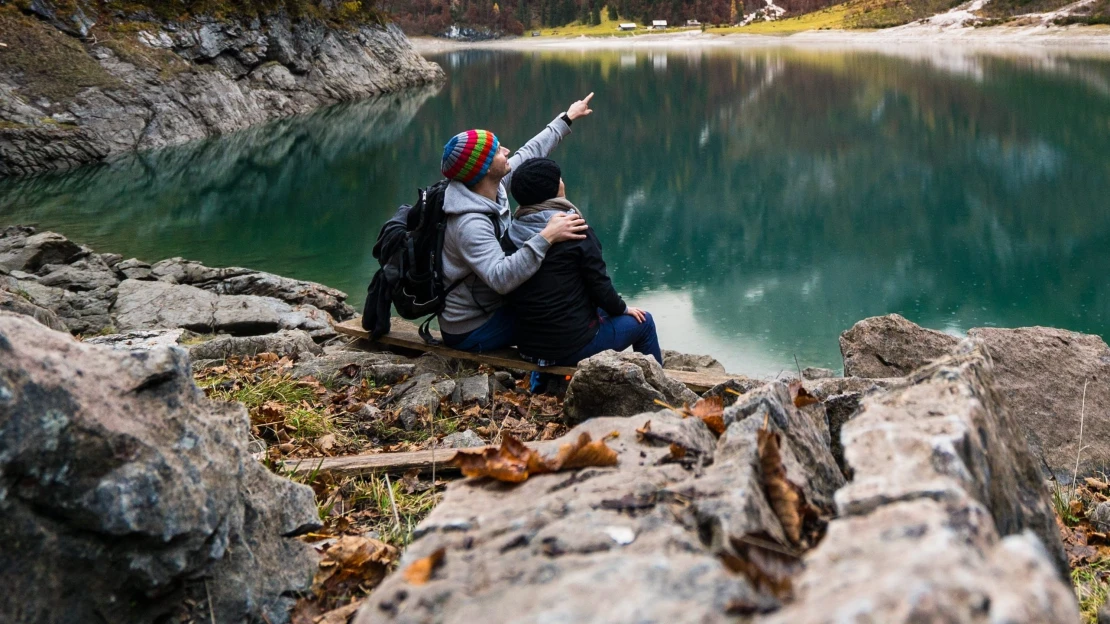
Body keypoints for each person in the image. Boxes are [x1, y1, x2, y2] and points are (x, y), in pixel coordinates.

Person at [436, 94, 596, 353]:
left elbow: (530, 151)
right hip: (472, 327)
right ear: (486, 168)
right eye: (499, 151)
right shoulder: (469, 223)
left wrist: (567, 117)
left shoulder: (491, 186)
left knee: (566, 304)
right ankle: (548, 378)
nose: (507, 151)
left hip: (491, 305)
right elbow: (500, 278)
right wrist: (546, 236)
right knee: (564, 316)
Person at [505, 158, 661, 390]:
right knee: (644, 322)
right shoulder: (575, 231)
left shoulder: (512, 231)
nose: (562, 181)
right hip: (569, 348)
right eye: (559, 178)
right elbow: (599, 285)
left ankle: (541, 384)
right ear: (554, 190)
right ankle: (659, 391)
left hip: (528, 347)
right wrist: (623, 309)